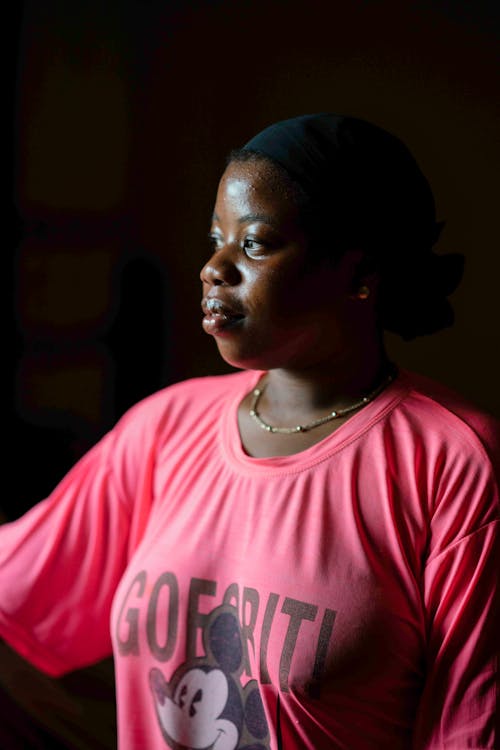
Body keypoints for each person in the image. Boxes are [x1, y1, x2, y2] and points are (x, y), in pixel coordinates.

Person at [0, 113, 498, 750]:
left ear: (358, 272)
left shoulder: (456, 464)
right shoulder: (165, 427)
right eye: (216, 240)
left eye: (255, 244)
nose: (213, 268)